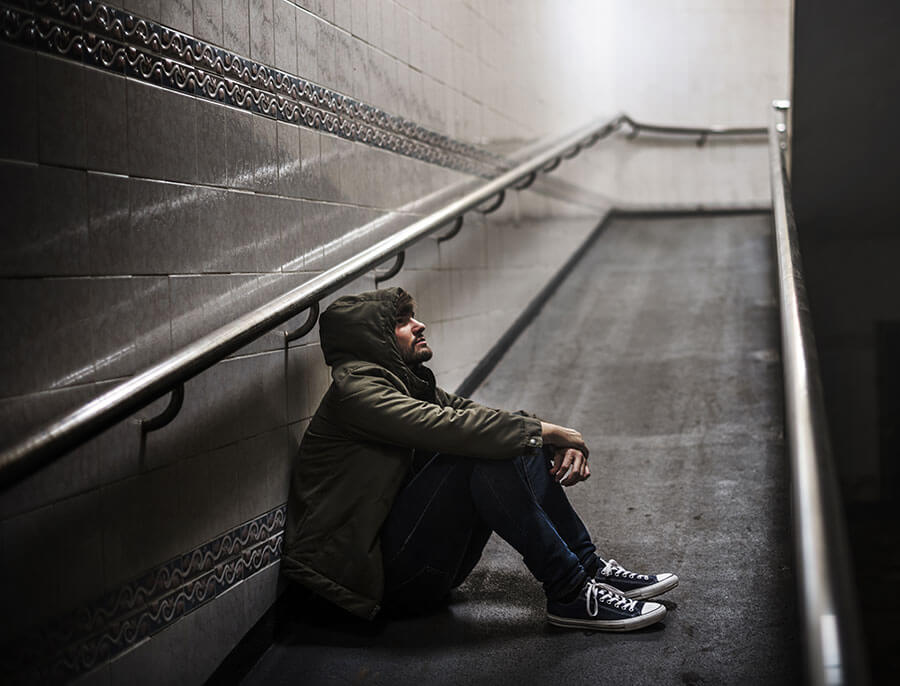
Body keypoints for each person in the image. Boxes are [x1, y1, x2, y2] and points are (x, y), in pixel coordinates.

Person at [282, 287, 678, 631]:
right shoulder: (357, 394)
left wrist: (545, 433)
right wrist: (556, 434)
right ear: (373, 339)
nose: (419, 325)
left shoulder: (403, 383)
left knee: (514, 442)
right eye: (403, 322)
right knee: (484, 452)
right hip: (364, 586)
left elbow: (482, 417)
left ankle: (588, 569)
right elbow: (459, 430)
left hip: (412, 566)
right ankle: (571, 593)